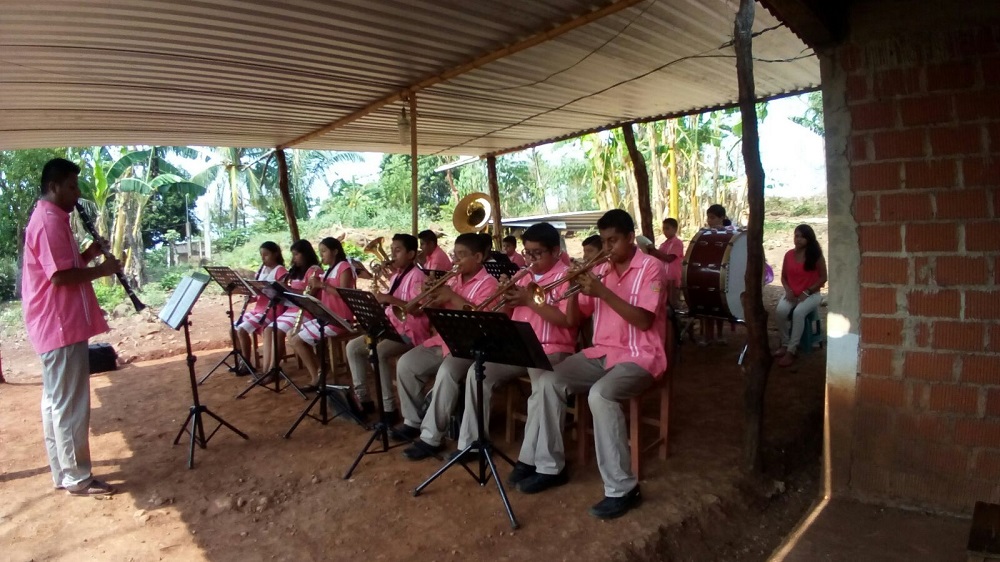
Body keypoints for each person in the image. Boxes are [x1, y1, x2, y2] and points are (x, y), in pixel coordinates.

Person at [512, 209, 667, 520]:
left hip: (641, 355)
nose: (608, 249)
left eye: (614, 241)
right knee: (548, 381)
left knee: (601, 394)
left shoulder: (652, 268)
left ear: (629, 237)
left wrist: (602, 291)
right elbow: (574, 318)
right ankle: (550, 466)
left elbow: (644, 319)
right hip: (602, 352)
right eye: (604, 242)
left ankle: (622, 488)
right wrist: (574, 283)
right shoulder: (602, 270)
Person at [23, 158, 121, 496]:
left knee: (55, 402)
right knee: (70, 403)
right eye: (71, 186)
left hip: (54, 325)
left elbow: (66, 265)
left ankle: (63, 473)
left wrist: (91, 253)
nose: (77, 194)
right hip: (59, 325)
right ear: (53, 187)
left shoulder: (52, 219)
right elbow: (60, 277)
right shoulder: (49, 220)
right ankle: (78, 477)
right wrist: (104, 270)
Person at [451, 222, 579, 461]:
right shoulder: (523, 275)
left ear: (555, 251)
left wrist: (530, 301)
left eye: (536, 253)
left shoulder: (567, 276)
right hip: (517, 345)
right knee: (477, 373)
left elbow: (566, 321)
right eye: (526, 252)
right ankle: (472, 443)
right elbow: (508, 316)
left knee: (541, 387)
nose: (530, 258)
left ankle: (531, 459)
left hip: (551, 348)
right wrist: (506, 298)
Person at [393, 233, 499, 460]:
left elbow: (482, 319)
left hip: (469, 345)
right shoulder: (452, 280)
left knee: (447, 372)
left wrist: (451, 296)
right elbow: (422, 311)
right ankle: (413, 421)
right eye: (455, 255)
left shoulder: (489, 284)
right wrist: (427, 296)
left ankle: (431, 438)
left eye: (462, 255)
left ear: (478, 257)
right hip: (442, 341)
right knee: (406, 364)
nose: (456, 261)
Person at [344, 233, 430, 420]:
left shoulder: (418, 277)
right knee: (352, 347)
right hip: (391, 327)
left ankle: (389, 407)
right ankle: (363, 399)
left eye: (397, 251)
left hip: (411, 331)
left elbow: (418, 311)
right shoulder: (395, 277)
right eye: (391, 250)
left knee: (378, 352)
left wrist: (388, 299)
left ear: (411, 254)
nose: (392, 255)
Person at [288, 237, 356, 391]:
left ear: (335, 251)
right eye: (320, 252)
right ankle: (320, 369)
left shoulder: (343, 267)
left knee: (297, 340)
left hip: (340, 318)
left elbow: (346, 294)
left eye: (324, 251)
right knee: (293, 336)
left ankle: (317, 377)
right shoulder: (327, 270)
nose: (322, 255)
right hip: (327, 317)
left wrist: (321, 285)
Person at [261, 239, 322, 376]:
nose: (293, 258)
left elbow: (310, 296)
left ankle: (273, 369)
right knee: (269, 329)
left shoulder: (314, 271)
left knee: (277, 331)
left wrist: (287, 290)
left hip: (306, 312)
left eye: (296, 255)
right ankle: (266, 369)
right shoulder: (296, 271)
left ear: (305, 254)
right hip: (292, 309)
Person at [775, 224, 827, 367]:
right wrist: (788, 290)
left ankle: (791, 351)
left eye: (802, 237)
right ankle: (785, 343)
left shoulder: (815, 256)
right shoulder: (789, 255)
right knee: (780, 311)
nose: (798, 239)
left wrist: (808, 291)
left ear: (809, 239)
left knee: (798, 313)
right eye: (796, 236)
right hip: (793, 294)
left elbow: (823, 277)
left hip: (812, 294)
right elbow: (784, 277)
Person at [234, 242, 287, 374]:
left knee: (241, 329)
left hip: (272, 311)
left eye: (266, 255)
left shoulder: (281, 271)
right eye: (261, 255)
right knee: (233, 328)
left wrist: (263, 290)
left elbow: (280, 294)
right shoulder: (261, 269)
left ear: (275, 254)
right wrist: (251, 295)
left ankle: (246, 364)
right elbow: (257, 295)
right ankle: (241, 360)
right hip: (259, 309)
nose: (263, 258)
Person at [646, 218, 685, 306]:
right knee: (663, 301)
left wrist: (654, 250)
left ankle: (674, 318)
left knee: (672, 302)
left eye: (667, 228)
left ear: (675, 229)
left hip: (672, 276)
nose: (665, 231)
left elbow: (669, 258)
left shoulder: (677, 243)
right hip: (663, 276)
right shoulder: (663, 244)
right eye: (663, 229)